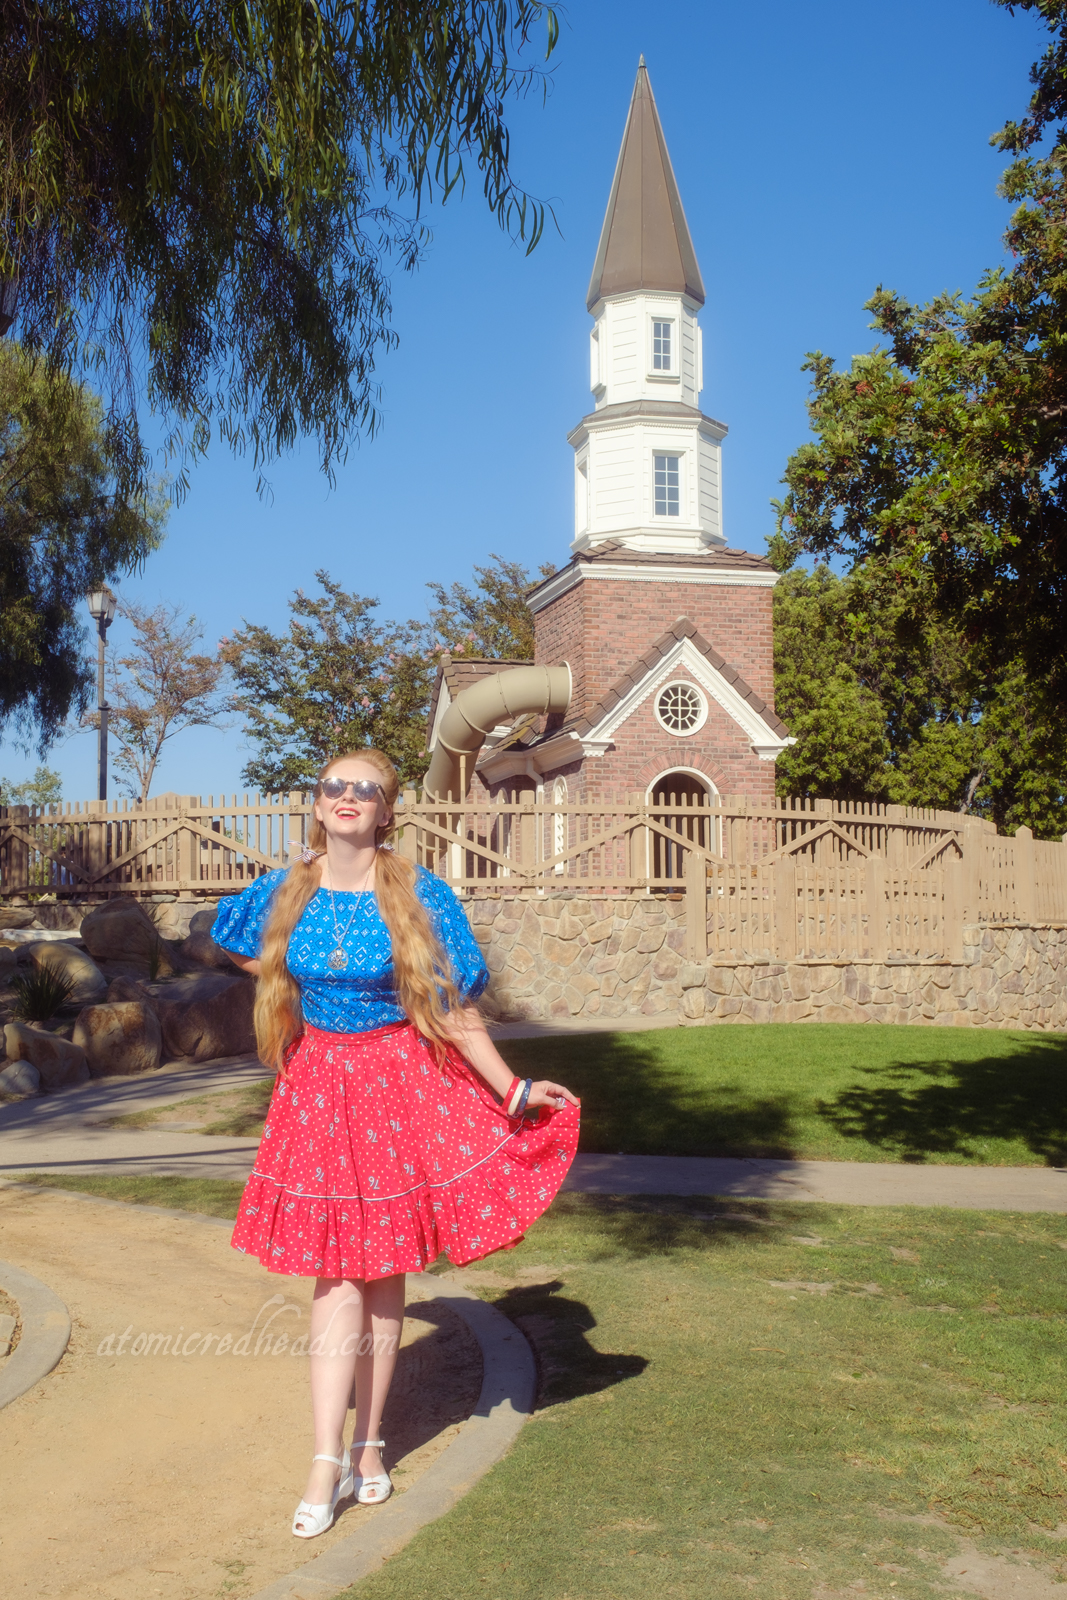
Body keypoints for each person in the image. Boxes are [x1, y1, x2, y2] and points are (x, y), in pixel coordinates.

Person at [210, 749, 580, 1539]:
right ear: (318, 804)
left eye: (365, 790)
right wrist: (290, 977)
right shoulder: (288, 888)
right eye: (333, 787)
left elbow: (450, 1007)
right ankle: (325, 1455)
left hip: (396, 1089)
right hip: (315, 1092)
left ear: (386, 811)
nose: (347, 798)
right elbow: (237, 939)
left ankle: (371, 1443)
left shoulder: (418, 893)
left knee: (381, 1277)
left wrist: (511, 1088)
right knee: (335, 1277)